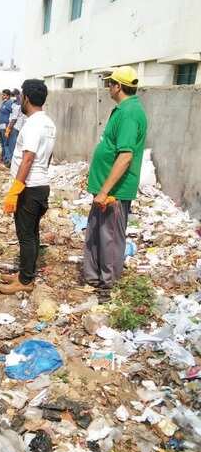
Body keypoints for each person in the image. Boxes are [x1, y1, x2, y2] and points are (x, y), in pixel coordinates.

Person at [83, 66, 148, 300]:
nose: (108, 86)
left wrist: (105, 190)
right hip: (105, 188)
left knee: (109, 238)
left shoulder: (130, 113)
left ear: (118, 86)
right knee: (95, 234)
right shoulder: (121, 110)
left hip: (114, 191)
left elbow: (126, 155)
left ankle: (107, 286)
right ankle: (93, 278)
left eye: (110, 83)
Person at [0, 79, 56, 295]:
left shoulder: (33, 124)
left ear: (27, 98)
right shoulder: (48, 123)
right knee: (32, 233)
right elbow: (47, 157)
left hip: (30, 187)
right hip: (41, 184)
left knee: (26, 235)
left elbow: (28, 158)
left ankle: (25, 281)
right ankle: (25, 273)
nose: (19, 99)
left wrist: (16, 189)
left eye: (21, 96)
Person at [5, 88, 25, 161]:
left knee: (12, 145)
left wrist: (8, 129)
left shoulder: (17, 105)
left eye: (13, 95)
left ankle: (10, 161)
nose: (12, 97)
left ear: (17, 95)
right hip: (19, 127)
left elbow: (14, 119)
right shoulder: (20, 104)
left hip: (15, 127)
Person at [0, 89, 13, 166]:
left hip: (5, 126)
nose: (3, 96)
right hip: (0, 126)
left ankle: (8, 160)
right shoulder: (4, 103)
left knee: (6, 144)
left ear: (8, 96)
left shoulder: (10, 103)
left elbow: (13, 113)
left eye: (4, 95)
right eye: (2, 95)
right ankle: (3, 158)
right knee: (2, 144)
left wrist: (9, 126)